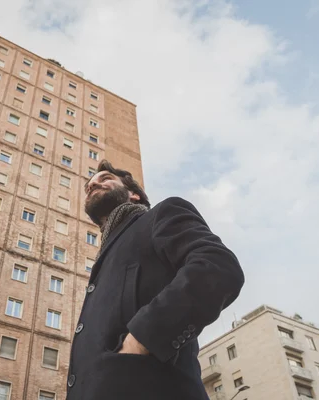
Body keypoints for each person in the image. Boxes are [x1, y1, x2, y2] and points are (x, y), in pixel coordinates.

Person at [65, 160, 244, 400]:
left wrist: (139, 342)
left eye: (105, 178)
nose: (93, 185)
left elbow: (216, 267)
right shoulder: (103, 261)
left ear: (134, 195)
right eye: (88, 185)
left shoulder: (161, 214)